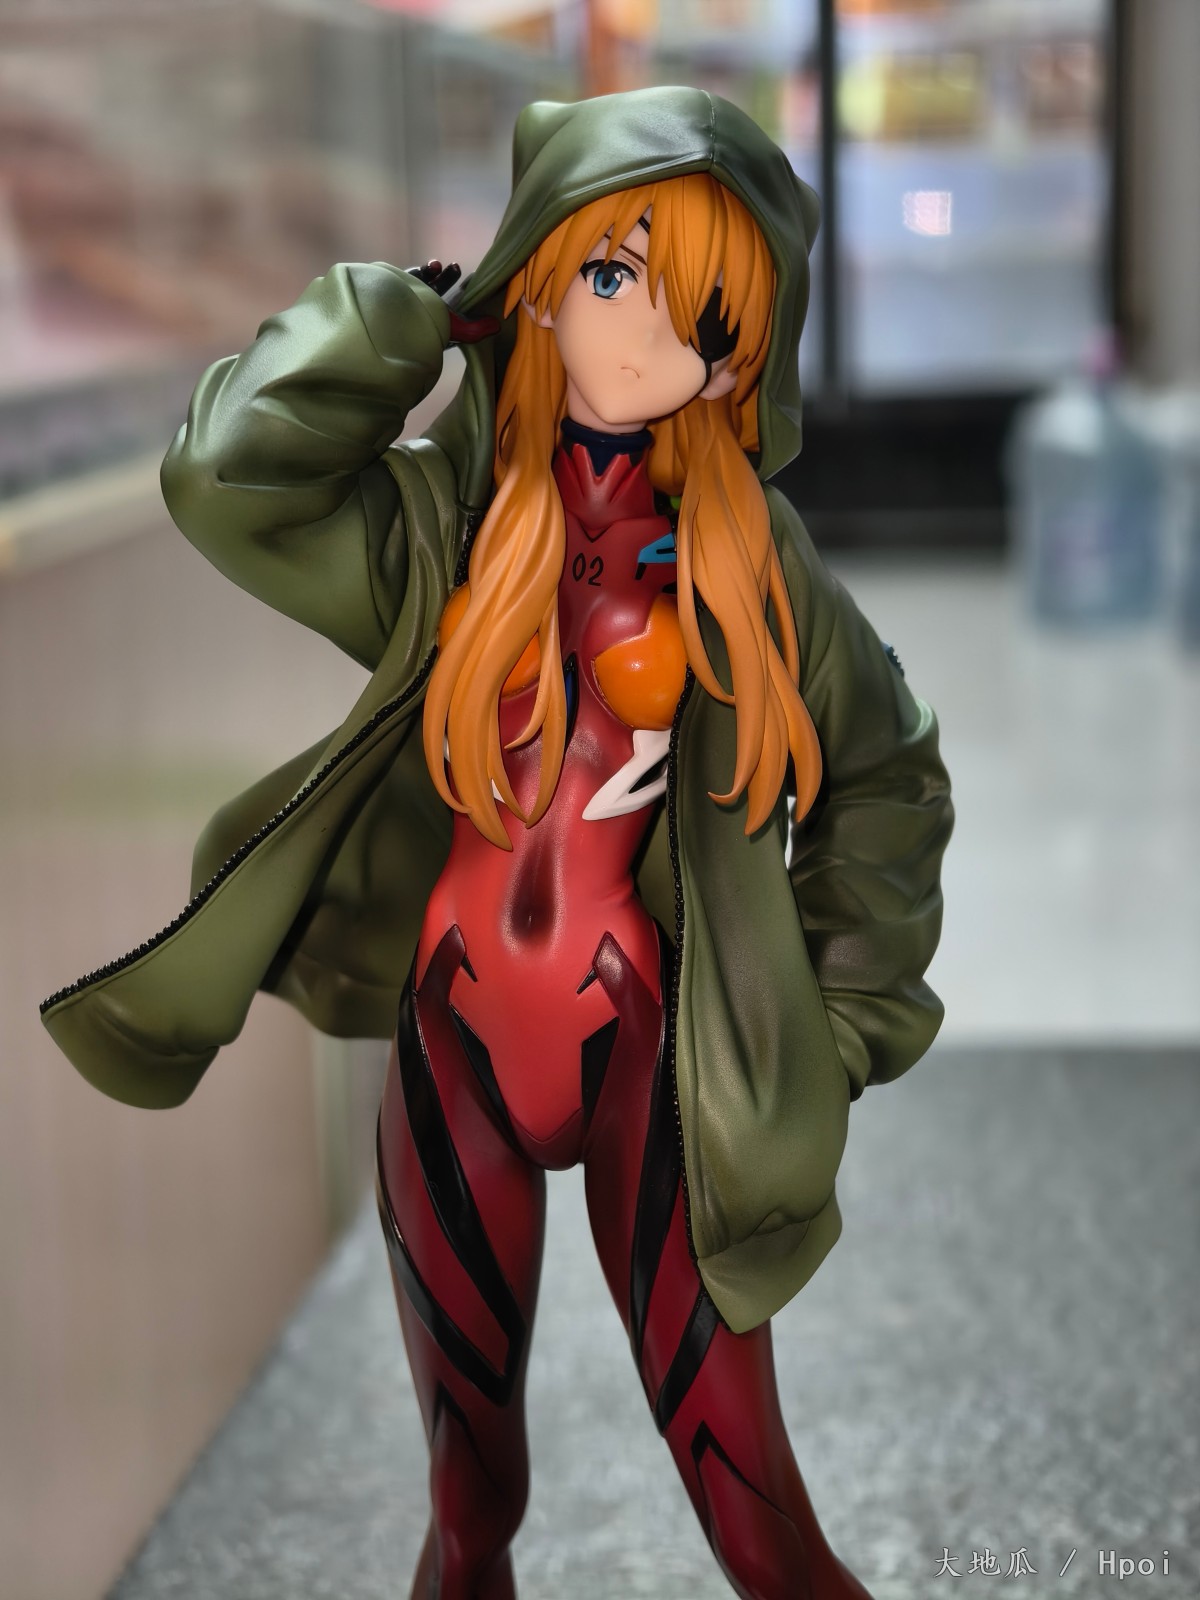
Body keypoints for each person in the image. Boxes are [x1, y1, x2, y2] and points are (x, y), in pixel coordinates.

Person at [41, 88, 952, 1599]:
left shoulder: (749, 562)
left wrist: (833, 1023)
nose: (649, 338)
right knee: (469, 1511)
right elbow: (225, 479)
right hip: (451, 1040)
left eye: (705, 315)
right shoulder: (445, 528)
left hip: (649, 1056)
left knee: (758, 1519)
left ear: (742, 355)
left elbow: (891, 775)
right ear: (537, 279)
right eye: (612, 274)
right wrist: (403, 322)